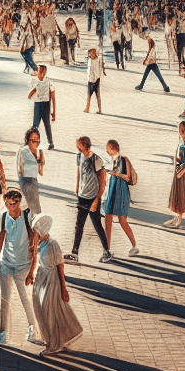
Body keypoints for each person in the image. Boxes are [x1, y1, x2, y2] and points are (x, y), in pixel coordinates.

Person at [0, 189, 40, 347]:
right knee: (4, 299)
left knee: (24, 297)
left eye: (13, 204)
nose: (10, 207)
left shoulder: (26, 217)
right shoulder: (4, 216)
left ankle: (32, 328)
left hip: (23, 265)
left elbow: (34, 244)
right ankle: (2, 333)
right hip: (6, 263)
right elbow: (1, 237)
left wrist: (32, 270)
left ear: (19, 202)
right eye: (7, 204)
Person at [30, 214, 81, 356]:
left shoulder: (53, 244)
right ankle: (54, 340)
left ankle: (53, 344)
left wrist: (63, 288)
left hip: (51, 281)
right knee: (41, 309)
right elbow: (34, 260)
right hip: (41, 278)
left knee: (49, 310)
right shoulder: (38, 243)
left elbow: (60, 266)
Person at [64, 136, 111, 264]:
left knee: (97, 226)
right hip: (82, 196)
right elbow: (79, 172)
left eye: (81, 146)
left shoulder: (96, 160)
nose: (78, 148)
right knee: (79, 226)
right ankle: (74, 253)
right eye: (78, 146)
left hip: (92, 198)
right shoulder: (79, 157)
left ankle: (107, 251)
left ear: (87, 147)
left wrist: (97, 200)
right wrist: (77, 187)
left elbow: (103, 181)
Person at [101, 140, 138, 257]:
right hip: (112, 191)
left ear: (113, 148)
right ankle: (107, 249)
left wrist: (116, 174)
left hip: (121, 192)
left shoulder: (123, 159)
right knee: (108, 219)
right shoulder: (110, 161)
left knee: (122, 221)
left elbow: (127, 178)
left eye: (108, 148)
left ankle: (134, 245)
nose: (107, 150)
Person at [28, 65, 56, 150]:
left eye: (39, 71)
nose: (37, 73)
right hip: (37, 105)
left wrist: (54, 112)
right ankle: (32, 142)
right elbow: (29, 96)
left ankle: (50, 142)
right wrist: (32, 92)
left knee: (47, 124)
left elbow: (53, 99)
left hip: (45, 106)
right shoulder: (35, 82)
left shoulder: (49, 83)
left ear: (43, 73)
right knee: (35, 125)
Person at [16, 129, 44, 213]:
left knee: (35, 208)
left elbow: (40, 172)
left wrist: (41, 159)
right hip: (26, 181)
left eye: (37, 139)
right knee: (32, 208)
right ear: (27, 140)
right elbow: (20, 169)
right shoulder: (24, 151)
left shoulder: (36, 152)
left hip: (33, 181)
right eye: (33, 139)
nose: (35, 141)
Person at [84, 47, 105, 113]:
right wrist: (88, 79)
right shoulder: (89, 60)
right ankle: (87, 108)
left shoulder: (98, 59)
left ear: (94, 52)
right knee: (88, 95)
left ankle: (100, 109)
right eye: (90, 53)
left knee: (98, 95)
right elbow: (89, 70)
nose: (91, 54)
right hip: (90, 79)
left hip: (96, 79)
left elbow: (99, 69)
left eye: (92, 52)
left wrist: (98, 77)